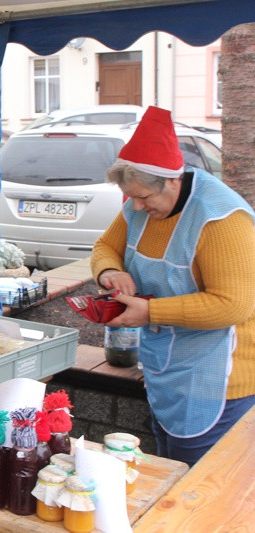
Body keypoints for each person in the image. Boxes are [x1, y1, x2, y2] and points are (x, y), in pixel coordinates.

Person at [91, 106, 255, 466]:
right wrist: (109, 272)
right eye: (129, 197)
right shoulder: (141, 201)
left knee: (198, 491)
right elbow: (106, 246)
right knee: (167, 471)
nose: (135, 206)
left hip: (219, 382)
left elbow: (234, 306)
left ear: (173, 181)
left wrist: (150, 312)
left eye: (144, 198)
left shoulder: (222, 220)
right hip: (166, 365)